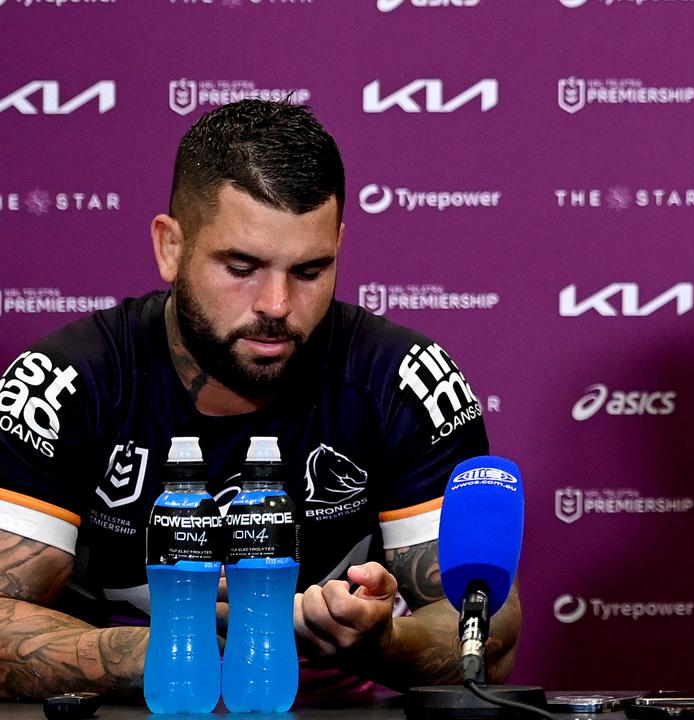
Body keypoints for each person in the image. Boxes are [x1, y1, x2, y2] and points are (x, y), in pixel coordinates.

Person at [0, 99, 517, 702]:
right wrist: (178, 648)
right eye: (241, 267)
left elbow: (492, 634)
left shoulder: (401, 378)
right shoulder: (66, 381)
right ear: (170, 246)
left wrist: (384, 641)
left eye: (310, 270)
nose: (275, 304)